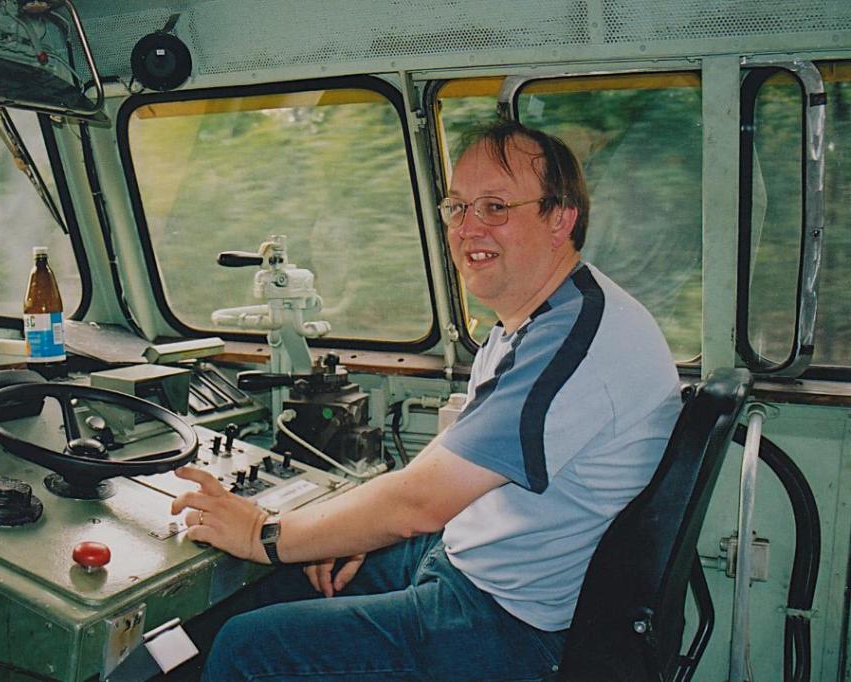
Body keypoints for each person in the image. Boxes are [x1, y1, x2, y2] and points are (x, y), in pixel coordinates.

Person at [170, 119, 681, 681]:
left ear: (560, 219)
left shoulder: (573, 339)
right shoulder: (535, 319)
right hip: (465, 561)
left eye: (495, 207)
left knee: (249, 647)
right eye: (458, 207)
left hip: (508, 625)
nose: (468, 228)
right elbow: (446, 461)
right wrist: (337, 529)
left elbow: (421, 505)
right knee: (281, 584)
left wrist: (261, 533)